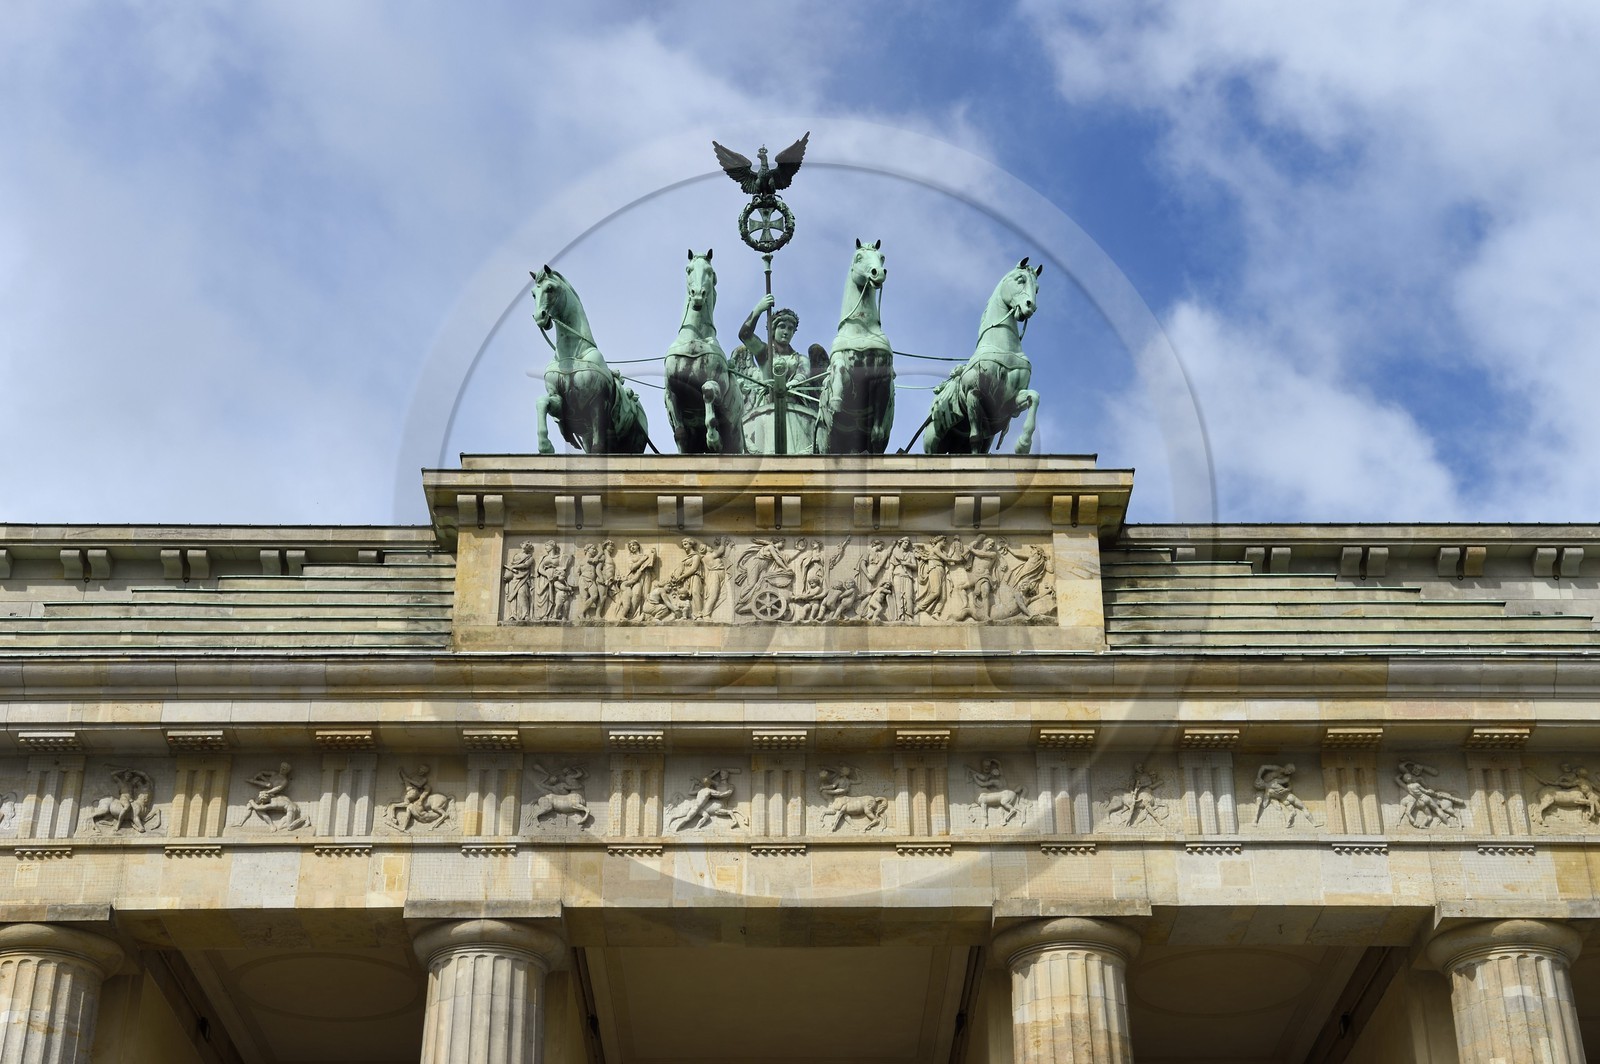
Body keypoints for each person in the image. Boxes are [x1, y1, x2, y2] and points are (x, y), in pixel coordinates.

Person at [734, 294, 828, 453]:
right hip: (767, 410)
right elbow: (745, 335)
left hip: (795, 411)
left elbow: (803, 375)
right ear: (773, 329)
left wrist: (790, 384)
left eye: (791, 329)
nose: (786, 332)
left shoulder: (800, 359)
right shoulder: (764, 353)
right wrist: (758, 310)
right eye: (782, 326)